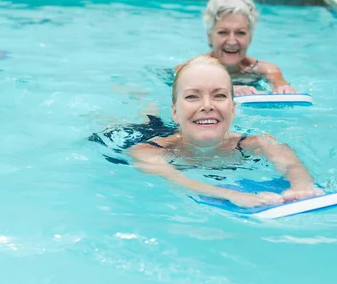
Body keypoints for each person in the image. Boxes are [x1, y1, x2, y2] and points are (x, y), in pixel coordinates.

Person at [129, 56, 323, 208]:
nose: (207, 105)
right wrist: (231, 195)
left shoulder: (256, 142)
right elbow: (176, 180)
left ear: (233, 109)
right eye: (192, 96)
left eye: (219, 95)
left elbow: (291, 165)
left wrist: (301, 187)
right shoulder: (147, 150)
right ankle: (141, 100)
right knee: (148, 118)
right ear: (175, 112)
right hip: (149, 133)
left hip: (191, 126)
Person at [175, 0, 297, 96]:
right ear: (209, 37)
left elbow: (280, 84)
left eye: (240, 33)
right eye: (223, 32)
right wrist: (226, 90)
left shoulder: (265, 70)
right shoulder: (190, 69)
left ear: (250, 37)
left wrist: (283, 89)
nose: (232, 41)